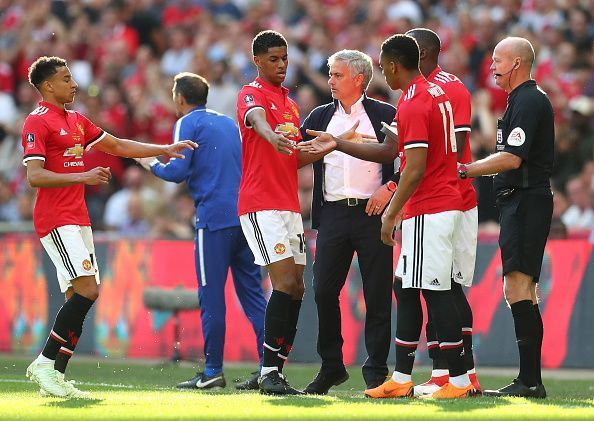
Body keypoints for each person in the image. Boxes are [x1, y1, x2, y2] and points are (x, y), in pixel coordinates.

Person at [302, 34, 476, 399]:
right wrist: (336, 142)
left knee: (432, 291)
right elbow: (396, 152)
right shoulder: (435, 93)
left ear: (394, 65)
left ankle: (455, 379)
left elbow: (411, 167)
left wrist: (390, 211)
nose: (383, 71)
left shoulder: (409, 103)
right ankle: (409, 376)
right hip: (424, 205)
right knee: (410, 288)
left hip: (427, 205)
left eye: (383, 65)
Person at [22, 56, 196, 398]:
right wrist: (83, 176)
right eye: (65, 78)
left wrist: (164, 148)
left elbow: (116, 145)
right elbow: (34, 175)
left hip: (77, 218)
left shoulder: (75, 120)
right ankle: (44, 363)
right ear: (47, 86)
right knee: (88, 290)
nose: (74, 84)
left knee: (78, 295)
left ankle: (55, 377)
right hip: (56, 218)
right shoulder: (36, 122)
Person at [136, 72, 266, 391]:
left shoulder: (187, 123)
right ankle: (269, 368)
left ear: (179, 98)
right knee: (253, 296)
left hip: (213, 218)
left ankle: (212, 370)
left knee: (211, 296)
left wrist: (149, 163)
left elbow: (177, 171)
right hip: (245, 216)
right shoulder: (227, 123)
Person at [457, 37, 553, 399]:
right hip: (520, 201)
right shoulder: (520, 100)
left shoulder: (529, 100)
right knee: (520, 288)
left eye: (497, 60)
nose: (491, 66)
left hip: (526, 200)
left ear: (516, 63)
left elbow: (512, 158)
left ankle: (530, 381)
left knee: (518, 287)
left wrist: (466, 170)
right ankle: (529, 379)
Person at [299, 49, 397, 395]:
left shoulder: (386, 114)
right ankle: (331, 366)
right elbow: (295, 157)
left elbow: (410, 158)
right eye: (330, 75)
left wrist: (390, 187)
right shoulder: (319, 116)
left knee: (377, 293)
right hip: (334, 213)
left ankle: (376, 372)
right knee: (324, 290)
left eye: (337, 75)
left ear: (359, 78)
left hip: (374, 214)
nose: (330, 81)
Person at [236, 30, 321, 395]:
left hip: (288, 206)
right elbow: (257, 120)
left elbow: (295, 157)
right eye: (273, 59)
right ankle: (270, 371)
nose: (281, 65)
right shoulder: (250, 93)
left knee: (297, 287)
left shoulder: (291, 104)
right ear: (257, 60)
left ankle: (272, 369)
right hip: (260, 204)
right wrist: (270, 135)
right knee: (284, 282)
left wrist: (329, 147)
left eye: (284, 58)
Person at [405, 28, 481, 395]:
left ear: (422, 52)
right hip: (449, 196)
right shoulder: (423, 87)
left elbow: (454, 147)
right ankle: (446, 375)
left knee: (443, 287)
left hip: (447, 196)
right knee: (443, 286)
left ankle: (460, 376)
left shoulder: (447, 87)